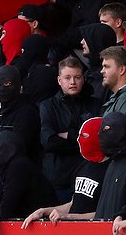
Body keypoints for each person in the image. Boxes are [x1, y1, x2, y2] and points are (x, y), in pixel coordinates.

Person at [40, 56, 102, 203]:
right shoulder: (47, 106)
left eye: (77, 77)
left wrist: (68, 135)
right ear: (59, 80)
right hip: (58, 179)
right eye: (67, 77)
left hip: (87, 177)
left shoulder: (94, 104)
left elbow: (97, 140)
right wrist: (82, 140)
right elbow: (49, 142)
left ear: (83, 79)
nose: (73, 82)